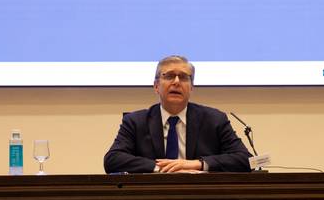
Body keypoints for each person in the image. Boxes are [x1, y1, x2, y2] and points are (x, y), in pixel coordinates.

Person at [104, 55, 251, 174]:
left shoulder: (214, 119)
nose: (176, 82)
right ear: (156, 86)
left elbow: (245, 159)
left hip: (201, 198)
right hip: (150, 198)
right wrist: (163, 168)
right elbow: (113, 160)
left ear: (191, 87)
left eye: (183, 77)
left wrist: (197, 164)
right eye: (169, 76)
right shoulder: (136, 121)